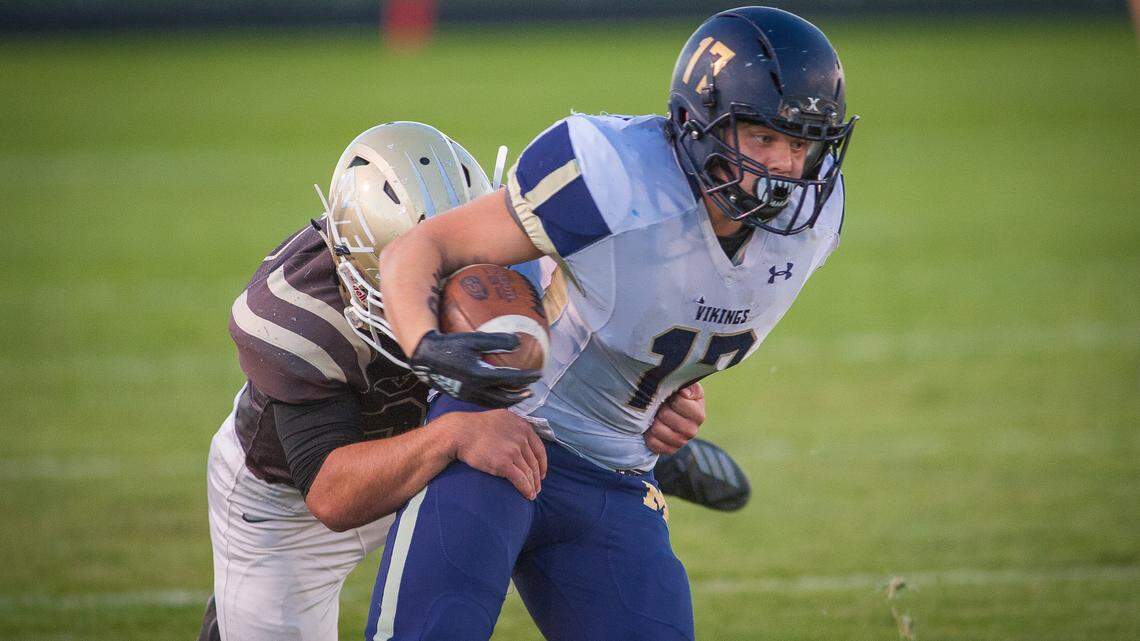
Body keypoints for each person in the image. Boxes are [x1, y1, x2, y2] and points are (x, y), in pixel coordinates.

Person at [365, 7, 857, 641]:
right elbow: (418, 249)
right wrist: (427, 347)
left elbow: (664, 323)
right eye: (763, 138)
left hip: (616, 477)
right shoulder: (612, 177)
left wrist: (670, 396)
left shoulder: (813, 225)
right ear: (698, 123)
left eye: (802, 142)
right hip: (497, 440)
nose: (788, 166)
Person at [198, 121, 723, 641]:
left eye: (455, 260)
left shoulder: (509, 235)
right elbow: (332, 499)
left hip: (448, 458)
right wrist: (450, 435)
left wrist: (651, 405)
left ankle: (663, 464)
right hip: (290, 504)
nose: (444, 290)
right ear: (354, 264)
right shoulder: (292, 315)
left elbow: (593, 346)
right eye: (416, 267)